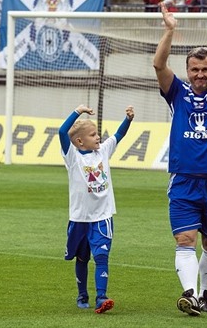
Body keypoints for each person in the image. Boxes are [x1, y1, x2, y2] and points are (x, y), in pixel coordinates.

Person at [153, 2, 207, 316]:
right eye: (195, 69)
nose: (200, 74)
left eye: (205, 70)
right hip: (184, 178)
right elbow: (159, 65)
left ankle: (205, 294)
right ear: (188, 71)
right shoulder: (177, 92)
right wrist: (170, 30)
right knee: (184, 238)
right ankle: (189, 296)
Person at [59, 104, 135, 313]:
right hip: (80, 218)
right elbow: (61, 132)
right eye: (93, 134)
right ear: (79, 141)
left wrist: (128, 119)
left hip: (102, 216)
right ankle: (82, 294)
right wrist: (77, 111)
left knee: (102, 256)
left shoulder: (103, 151)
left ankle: (101, 297)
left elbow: (118, 135)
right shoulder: (72, 157)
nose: (98, 137)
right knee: (81, 258)